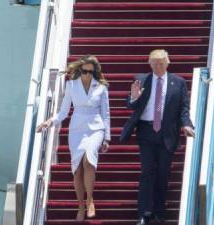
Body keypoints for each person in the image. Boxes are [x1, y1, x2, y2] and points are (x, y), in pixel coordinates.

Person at [120, 49, 195, 225]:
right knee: (147, 172)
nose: (157, 66)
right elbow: (130, 105)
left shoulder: (178, 82)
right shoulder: (141, 79)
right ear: (149, 63)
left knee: (163, 173)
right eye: (153, 63)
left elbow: (184, 108)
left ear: (168, 63)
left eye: (161, 63)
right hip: (146, 132)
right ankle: (143, 213)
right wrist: (133, 97)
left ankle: (160, 211)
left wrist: (186, 124)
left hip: (167, 133)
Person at [36, 55, 111, 221]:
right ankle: (80, 205)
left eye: (91, 72)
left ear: (94, 72)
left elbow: (105, 113)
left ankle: (90, 199)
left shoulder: (101, 87)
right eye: (84, 71)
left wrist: (107, 137)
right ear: (79, 70)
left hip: (95, 128)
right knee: (77, 170)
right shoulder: (71, 86)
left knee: (88, 160)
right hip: (76, 129)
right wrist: (49, 122)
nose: (87, 75)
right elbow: (63, 112)